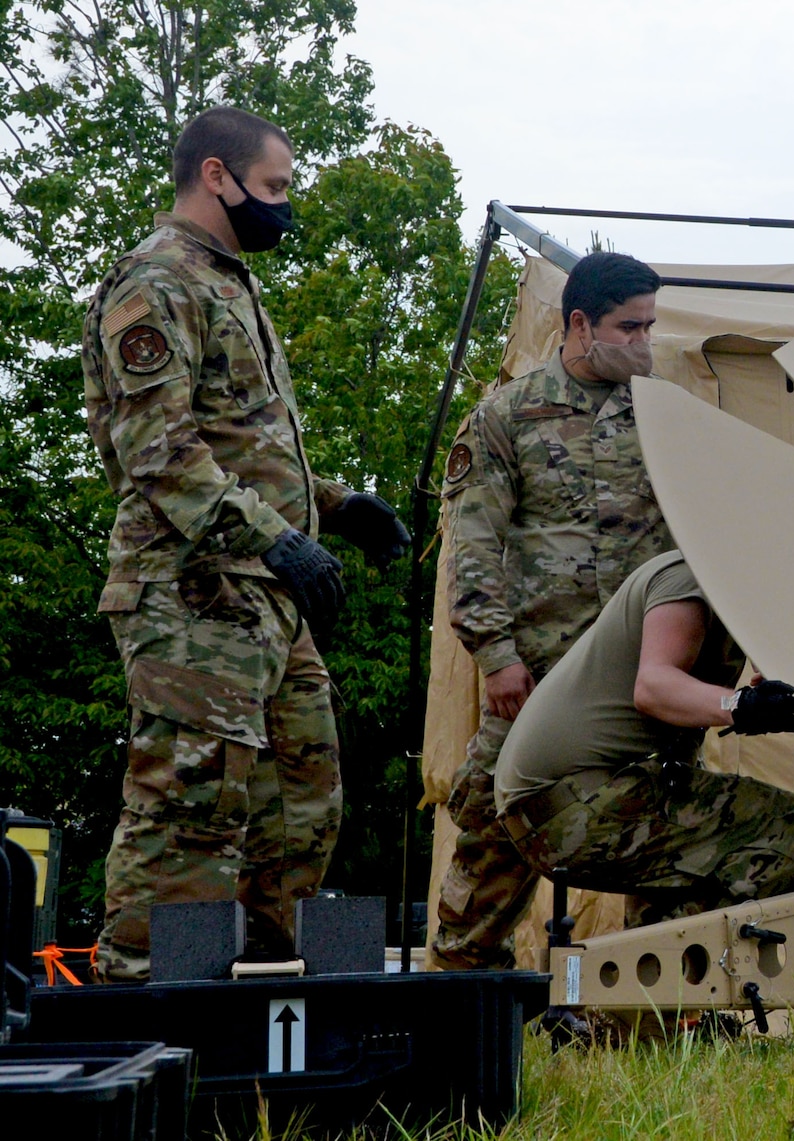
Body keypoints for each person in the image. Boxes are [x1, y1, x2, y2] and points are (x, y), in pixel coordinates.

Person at [83, 106, 409, 980]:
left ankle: (264, 1004)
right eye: (275, 188)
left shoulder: (230, 283)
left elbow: (241, 444)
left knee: (302, 800)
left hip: (263, 592)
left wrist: (336, 508)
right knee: (193, 802)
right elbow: (159, 454)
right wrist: (282, 540)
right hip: (190, 590)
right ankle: (136, 1007)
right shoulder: (154, 283)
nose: (285, 208)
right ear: (218, 176)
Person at [430, 251, 676, 970]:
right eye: (630, 327)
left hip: (640, 683)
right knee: (490, 840)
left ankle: (654, 1017)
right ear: (579, 324)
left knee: (659, 845)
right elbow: (473, 546)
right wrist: (496, 656)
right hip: (536, 681)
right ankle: (461, 1009)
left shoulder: (664, 416)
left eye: (650, 326)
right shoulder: (509, 414)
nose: (644, 342)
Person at [493, 550, 794, 931]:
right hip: (576, 802)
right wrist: (739, 705)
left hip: (567, 805)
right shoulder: (690, 576)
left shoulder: (733, 593)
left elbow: (788, 680)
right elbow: (653, 687)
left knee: (692, 870)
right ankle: (686, 967)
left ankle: (654, 973)